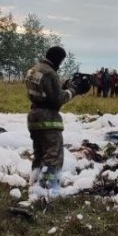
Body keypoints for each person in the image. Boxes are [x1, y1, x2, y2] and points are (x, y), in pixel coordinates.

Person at [25, 46, 82, 199]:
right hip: (48, 118)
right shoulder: (50, 73)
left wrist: (61, 87)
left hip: (34, 116)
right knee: (53, 154)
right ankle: (48, 190)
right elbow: (57, 99)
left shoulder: (34, 69)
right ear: (58, 58)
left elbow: (42, 91)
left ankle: (34, 183)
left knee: (39, 153)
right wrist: (72, 90)